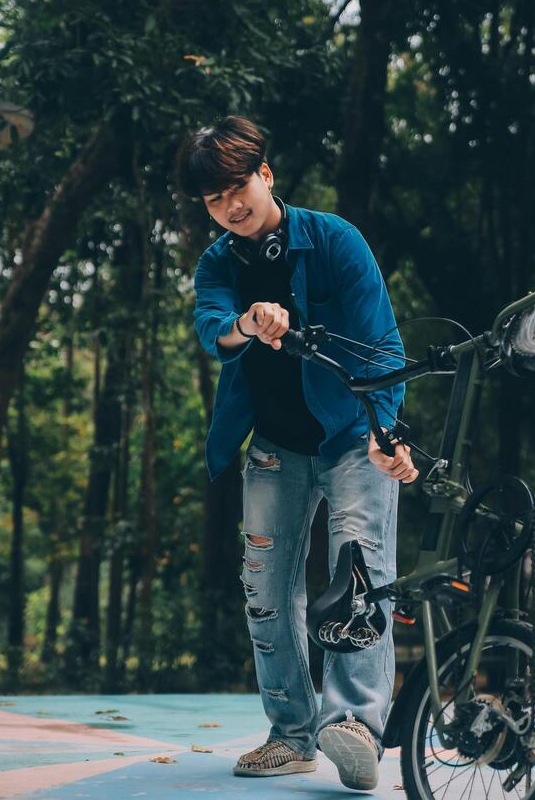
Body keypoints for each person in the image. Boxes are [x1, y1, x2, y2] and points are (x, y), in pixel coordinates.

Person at [176, 116, 418, 791]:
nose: (230, 205)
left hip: (349, 441)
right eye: (213, 198)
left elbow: (384, 347)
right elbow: (211, 328)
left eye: (237, 186)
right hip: (276, 449)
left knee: (358, 574)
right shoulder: (218, 263)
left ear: (265, 175)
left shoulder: (336, 241)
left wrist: (384, 430)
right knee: (263, 590)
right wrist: (247, 323)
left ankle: (358, 730)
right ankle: (290, 735)